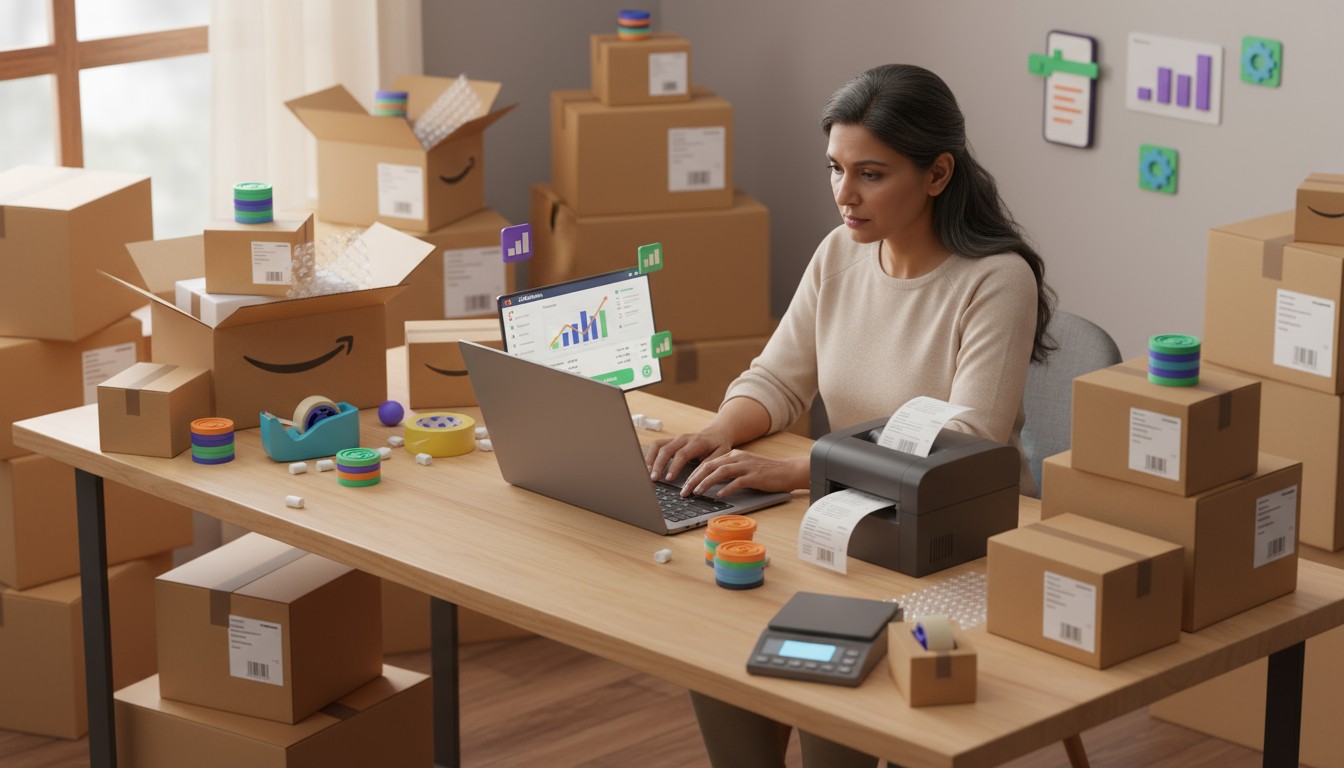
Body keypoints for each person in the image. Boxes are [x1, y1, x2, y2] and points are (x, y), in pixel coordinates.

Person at [643, 63, 1056, 768]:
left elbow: (966, 444)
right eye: (834, 168)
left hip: (950, 543)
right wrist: (719, 428)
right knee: (710, 636)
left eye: (870, 173)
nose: (844, 194)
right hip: (846, 521)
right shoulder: (840, 253)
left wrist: (798, 470)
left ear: (936, 174)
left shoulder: (995, 280)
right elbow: (778, 377)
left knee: (832, 694)